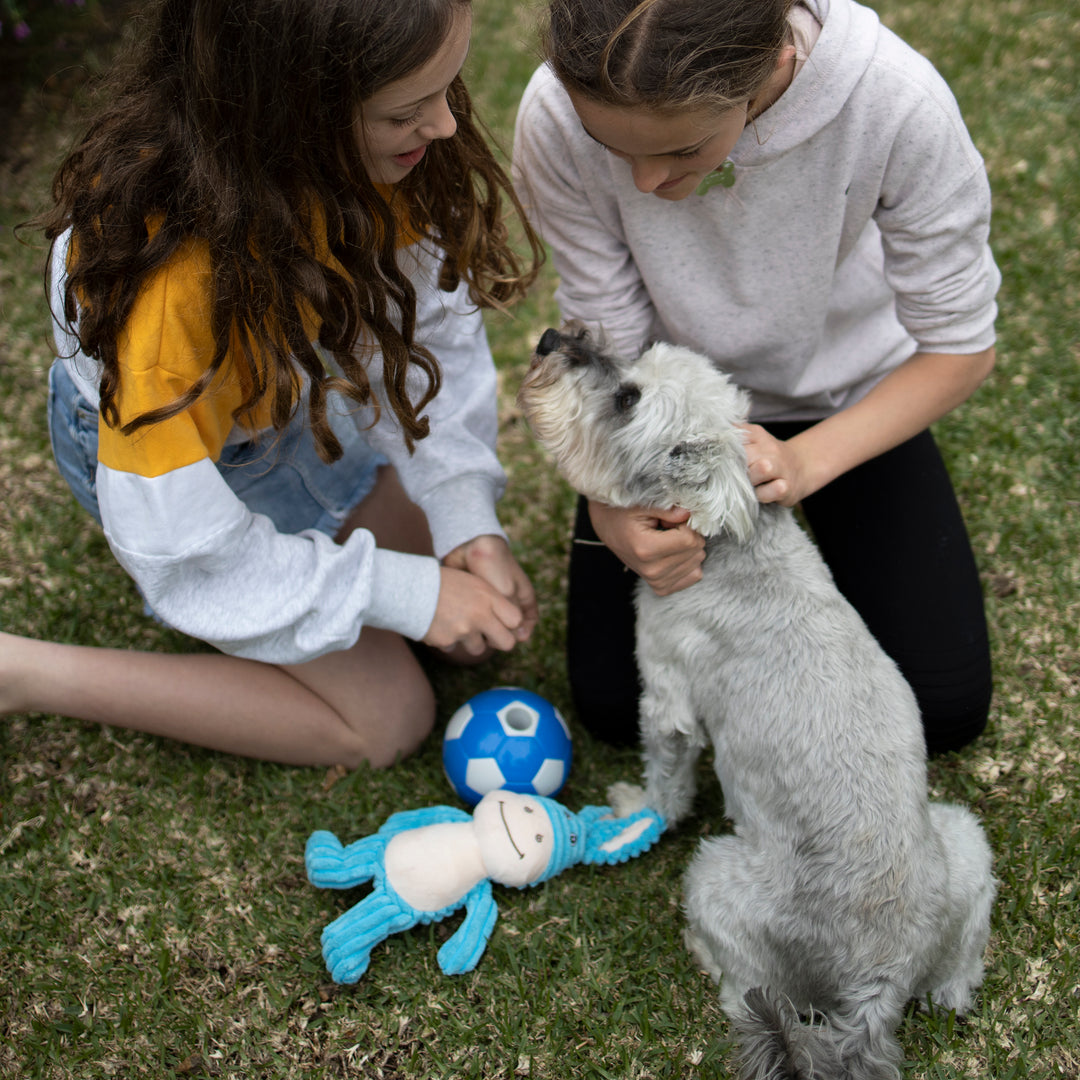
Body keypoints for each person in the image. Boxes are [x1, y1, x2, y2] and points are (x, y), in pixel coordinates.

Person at [0, 0, 544, 768]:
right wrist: (412, 596)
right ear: (293, 113)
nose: (446, 127)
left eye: (445, 92)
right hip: (179, 467)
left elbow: (428, 333)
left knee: (466, 616)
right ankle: (25, 674)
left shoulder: (366, 157)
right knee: (389, 720)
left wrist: (464, 518)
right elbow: (187, 551)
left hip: (279, 411)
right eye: (406, 111)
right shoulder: (165, 298)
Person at [513, 0, 999, 755]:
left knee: (943, 708)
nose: (644, 181)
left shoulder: (895, 103)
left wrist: (804, 461)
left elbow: (960, 349)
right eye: (611, 146)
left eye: (682, 150)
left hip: (846, 398)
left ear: (772, 66)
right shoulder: (553, 111)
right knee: (617, 711)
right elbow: (608, 343)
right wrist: (608, 506)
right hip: (660, 409)